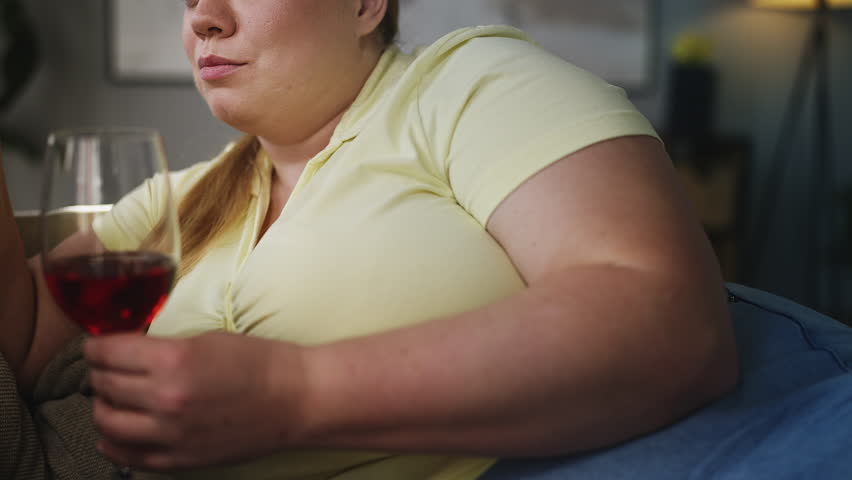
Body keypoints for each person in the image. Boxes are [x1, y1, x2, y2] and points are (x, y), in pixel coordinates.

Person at [0, 0, 739, 478]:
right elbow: (26, 341)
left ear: (363, 4)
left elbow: (671, 319)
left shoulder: (467, 85)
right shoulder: (182, 196)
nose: (204, 20)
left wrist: (293, 394)